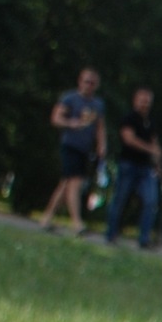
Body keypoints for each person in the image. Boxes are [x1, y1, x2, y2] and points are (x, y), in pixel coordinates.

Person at [36, 68, 105, 235]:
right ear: (80, 81)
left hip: (85, 149)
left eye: (92, 83)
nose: (88, 85)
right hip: (70, 145)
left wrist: (102, 145)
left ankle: (46, 218)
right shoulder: (69, 98)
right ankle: (77, 224)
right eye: (86, 81)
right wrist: (70, 123)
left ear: (96, 85)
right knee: (75, 182)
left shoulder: (98, 105)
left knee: (66, 183)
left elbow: (100, 127)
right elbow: (56, 118)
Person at [104, 86, 162, 249]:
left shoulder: (150, 122)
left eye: (148, 101)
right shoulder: (129, 118)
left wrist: (158, 162)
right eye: (142, 100)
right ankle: (111, 234)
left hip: (146, 168)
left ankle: (144, 239)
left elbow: (155, 144)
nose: (145, 104)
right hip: (128, 165)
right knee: (120, 200)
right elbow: (129, 139)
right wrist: (150, 149)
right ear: (135, 100)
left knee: (150, 201)